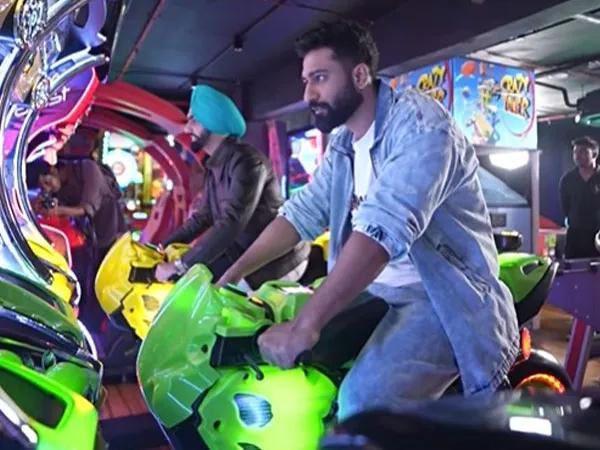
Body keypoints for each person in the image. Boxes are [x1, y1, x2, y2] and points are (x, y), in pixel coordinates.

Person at [218, 20, 519, 420]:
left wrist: (306, 326)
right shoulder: (344, 143)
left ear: (359, 76)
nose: (308, 94)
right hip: (377, 290)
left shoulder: (422, 127)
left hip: (439, 297)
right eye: (306, 81)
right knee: (304, 371)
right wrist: (231, 276)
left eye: (320, 78)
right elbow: (302, 213)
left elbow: (382, 231)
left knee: (360, 405)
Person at [155, 85, 310, 289]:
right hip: (246, 255)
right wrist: (161, 246)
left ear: (213, 121)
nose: (187, 128)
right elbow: (203, 217)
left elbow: (232, 222)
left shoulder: (248, 162)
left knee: (203, 297)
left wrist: (180, 265)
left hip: (277, 261)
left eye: (194, 120)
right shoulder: (214, 166)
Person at [27, 157, 127, 330]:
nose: (48, 188)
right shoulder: (61, 187)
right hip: (90, 239)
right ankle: (91, 327)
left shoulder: (87, 169)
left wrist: (57, 210)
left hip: (110, 233)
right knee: (88, 284)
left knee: (105, 284)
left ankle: (105, 330)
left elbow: (87, 208)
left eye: (47, 182)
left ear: (53, 170)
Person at [558, 136, 600, 258]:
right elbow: (565, 207)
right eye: (575, 152)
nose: (578, 155)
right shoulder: (567, 180)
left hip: (597, 234)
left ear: (594, 155)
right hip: (575, 235)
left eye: (583, 152)